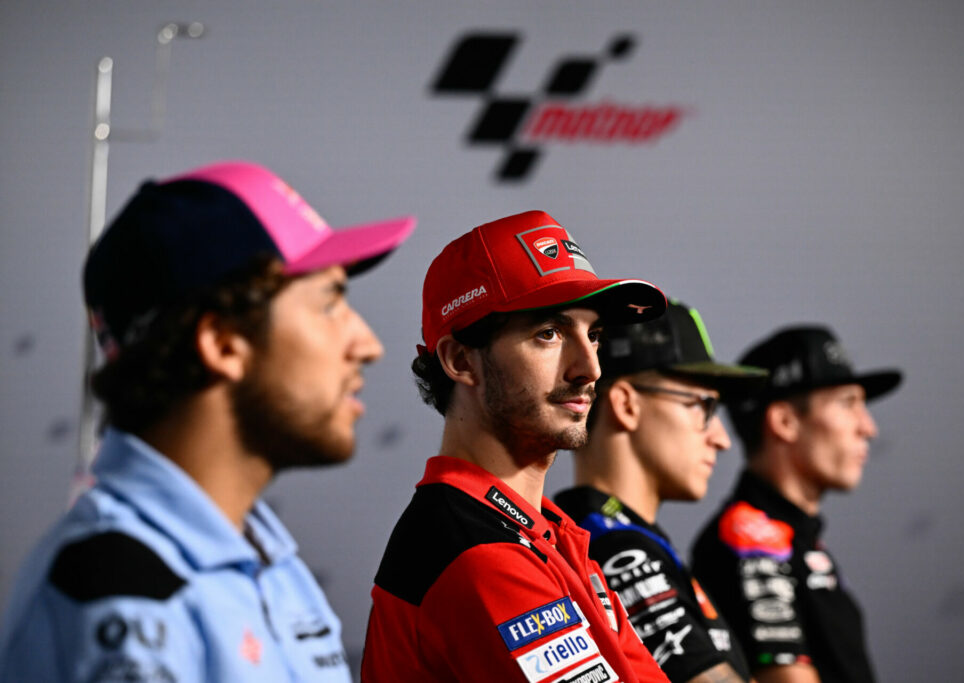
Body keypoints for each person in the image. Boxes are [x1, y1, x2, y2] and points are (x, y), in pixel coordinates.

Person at [0, 161, 415, 682]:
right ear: (222, 344)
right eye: (330, 302)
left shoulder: (268, 558)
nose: (368, 345)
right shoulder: (122, 584)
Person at [362, 210, 672, 682]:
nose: (589, 369)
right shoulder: (477, 552)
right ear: (460, 359)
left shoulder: (550, 529)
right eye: (548, 334)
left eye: (594, 336)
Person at [554, 299, 766, 682]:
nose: (721, 439)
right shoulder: (614, 548)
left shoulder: (617, 538)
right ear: (627, 405)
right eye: (704, 406)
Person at [690, 325, 902, 683]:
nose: (868, 427)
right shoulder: (749, 536)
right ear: (785, 421)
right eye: (848, 403)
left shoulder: (792, 535)